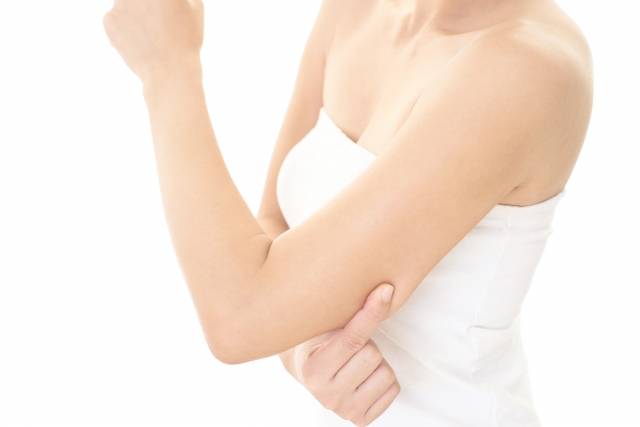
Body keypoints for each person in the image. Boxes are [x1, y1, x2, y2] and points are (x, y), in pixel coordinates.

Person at [103, 0, 592, 425]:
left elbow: (239, 317)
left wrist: (169, 71)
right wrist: (301, 351)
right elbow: (273, 224)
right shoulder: (355, 7)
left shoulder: (527, 66)